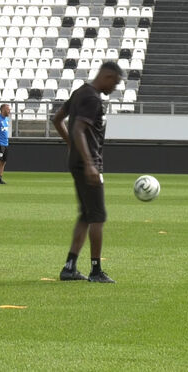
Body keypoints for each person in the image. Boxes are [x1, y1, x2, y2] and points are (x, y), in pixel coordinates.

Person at [52, 62, 122, 283]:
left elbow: (57, 119)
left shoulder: (79, 92)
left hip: (76, 162)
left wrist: (71, 145)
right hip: (88, 164)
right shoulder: (92, 98)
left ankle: (70, 267)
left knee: (85, 215)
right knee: (98, 217)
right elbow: (79, 130)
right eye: (115, 83)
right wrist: (90, 163)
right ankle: (95, 270)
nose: (115, 88)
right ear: (107, 76)